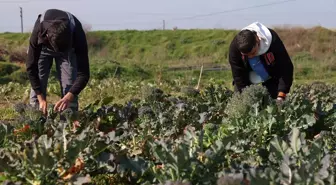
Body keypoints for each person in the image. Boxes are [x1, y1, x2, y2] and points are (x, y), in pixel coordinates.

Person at [26, 9, 90, 115]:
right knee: (39, 80)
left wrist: (69, 97)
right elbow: (31, 67)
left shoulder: (77, 33)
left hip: (68, 51)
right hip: (43, 48)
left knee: (69, 83)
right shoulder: (38, 30)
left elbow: (84, 73)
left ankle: (69, 121)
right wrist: (41, 99)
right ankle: (36, 120)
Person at [228, 22, 294, 101]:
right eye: (246, 55)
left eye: (253, 53)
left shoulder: (272, 40)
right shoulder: (235, 47)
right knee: (242, 100)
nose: (250, 57)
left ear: (257, 39)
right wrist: (245, 97)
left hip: (271, 75)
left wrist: (282, 93)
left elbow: (285, 67)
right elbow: (238, 75)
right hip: (246, 75)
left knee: (274, 102)